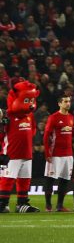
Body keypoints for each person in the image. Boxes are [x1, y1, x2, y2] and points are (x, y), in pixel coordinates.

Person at [0, 80, 41, 213]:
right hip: (11, 153)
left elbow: (33, 131)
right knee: (7, 179)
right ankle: (2, 203)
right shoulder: (7, 116)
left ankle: (22, 204)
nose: (29, 104)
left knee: (25, 179)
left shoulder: (30, 116)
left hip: (27, 153)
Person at [43, 95, 74, 212]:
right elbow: (46, 136)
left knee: (65, 180)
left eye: (69, 101)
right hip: (55, 155)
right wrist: (47, 153)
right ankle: (48, 206)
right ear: (59, 104)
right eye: (65, 101)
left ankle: (60, 205)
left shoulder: (71, 117)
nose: (68, 103)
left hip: (68, 155)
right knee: (50, 179)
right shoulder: (53, 117)